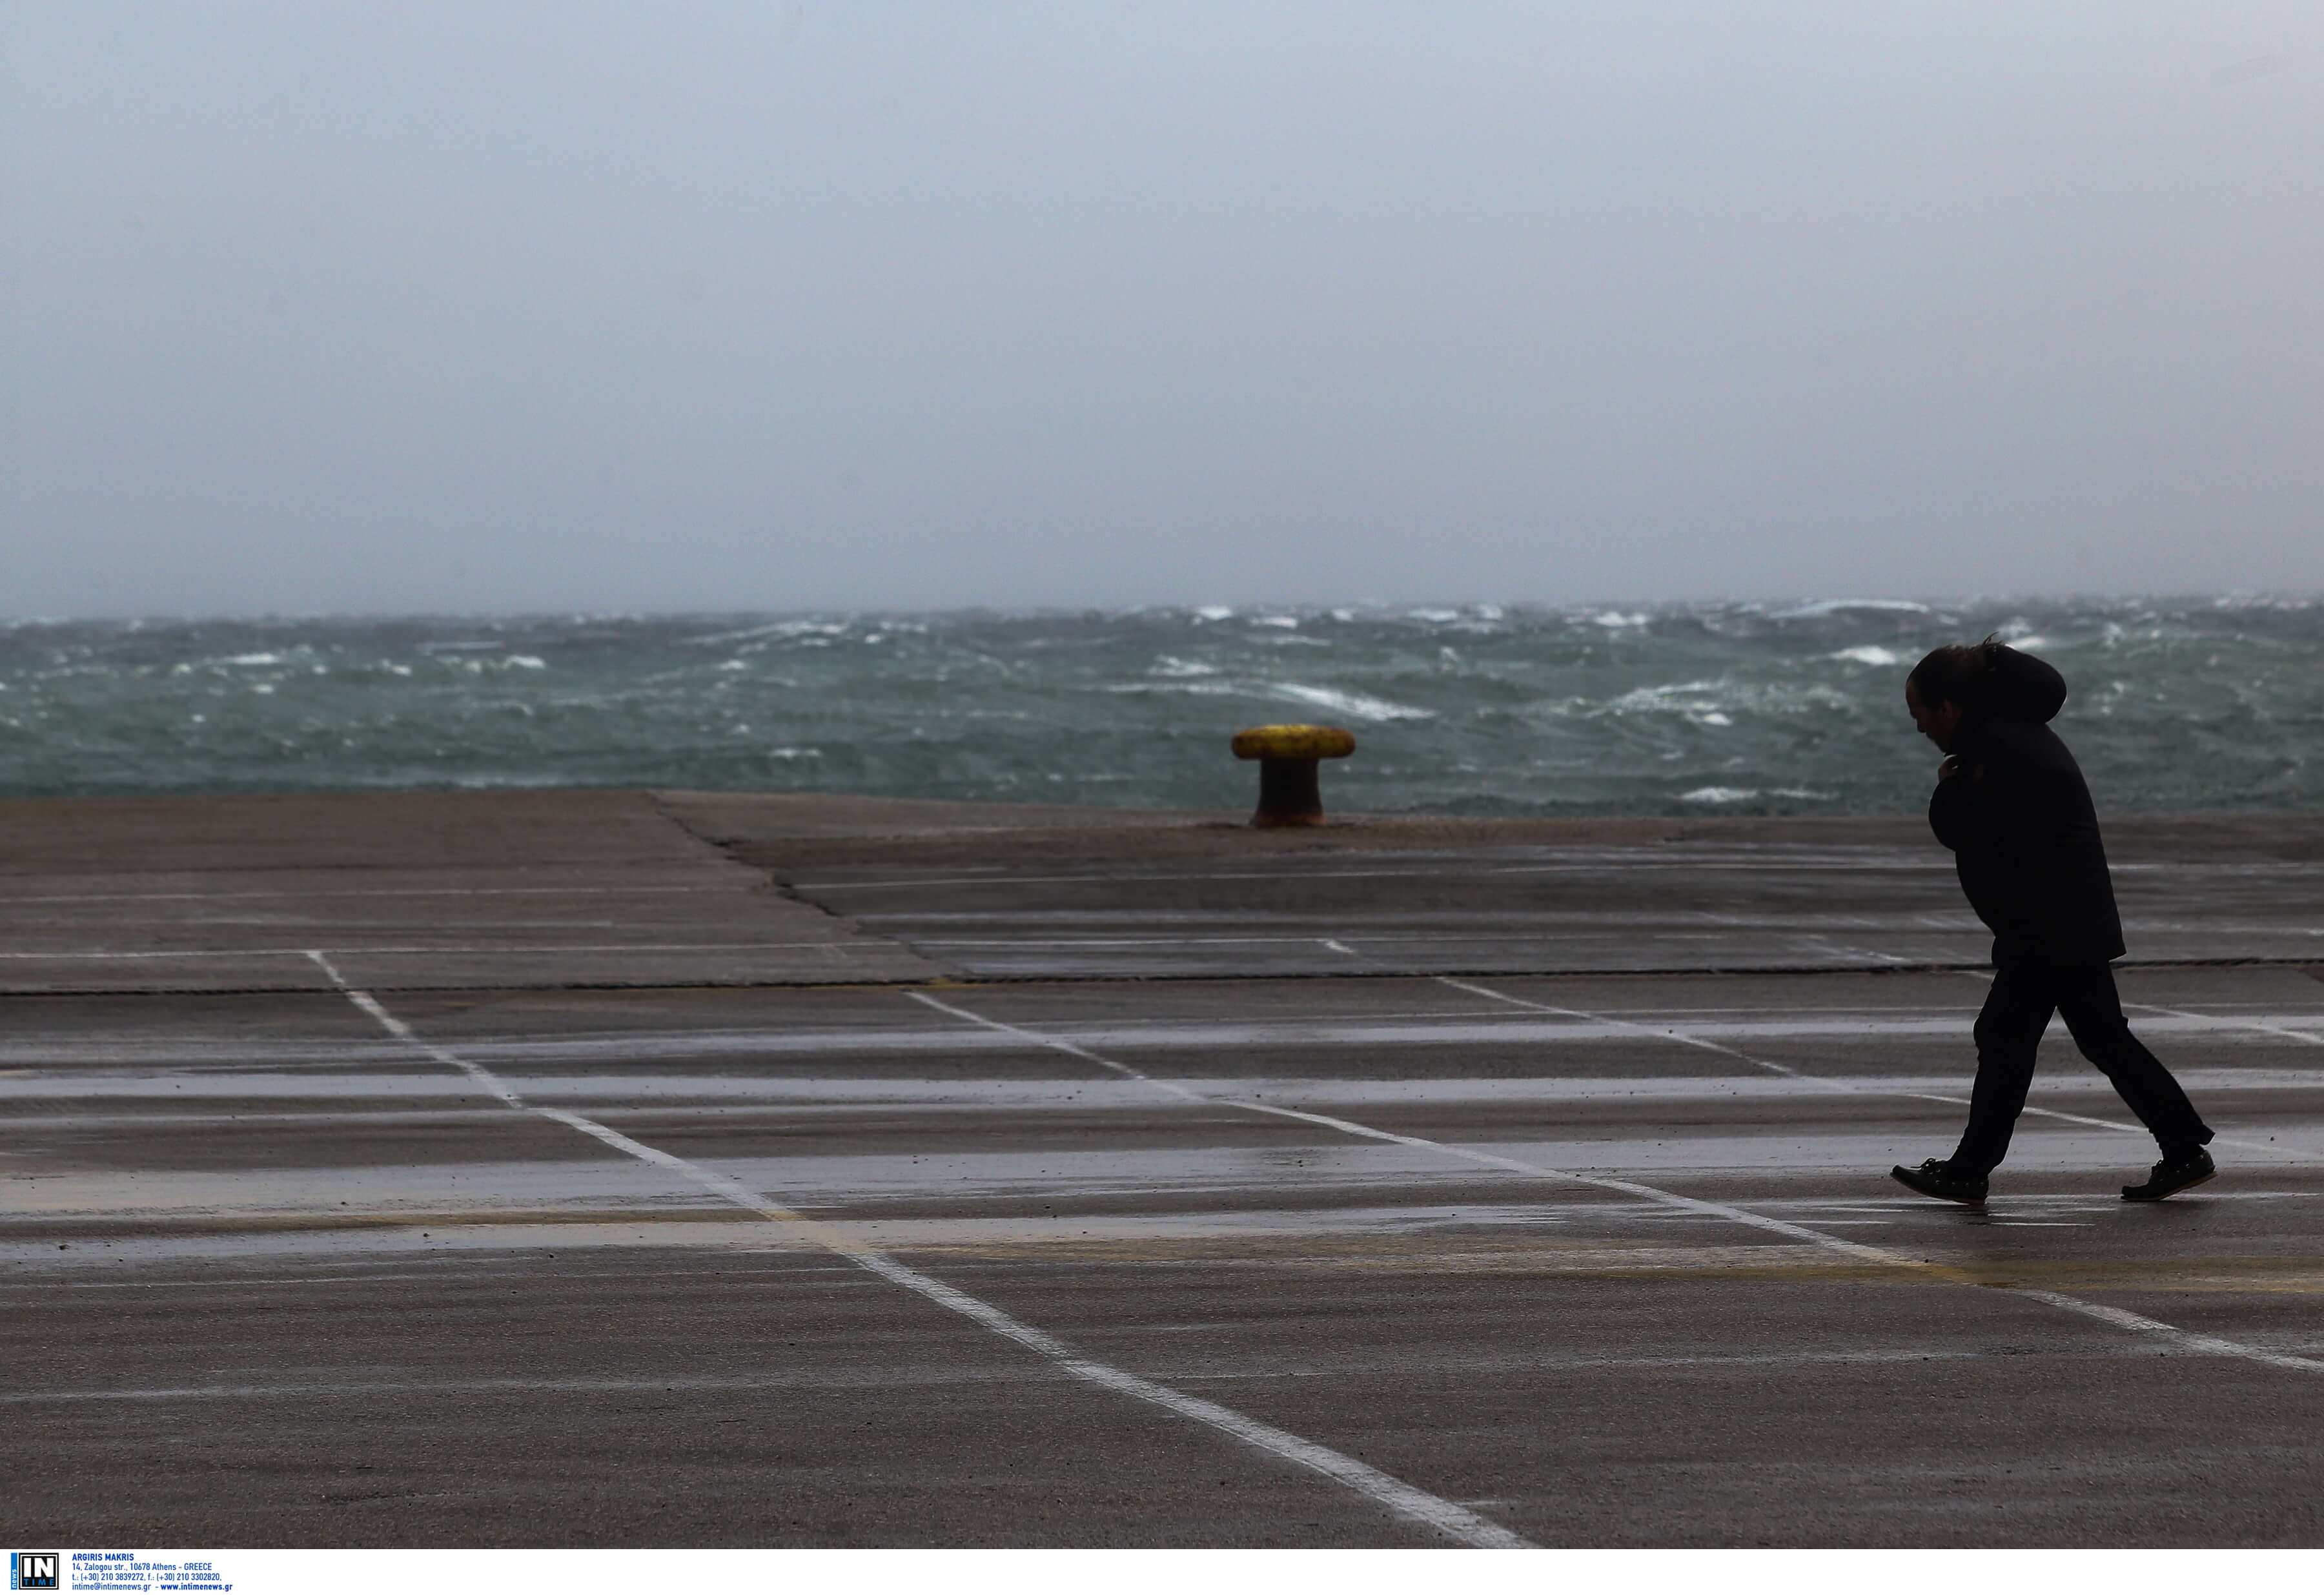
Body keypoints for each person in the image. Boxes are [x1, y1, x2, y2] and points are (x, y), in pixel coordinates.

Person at [1891, 636, 2216, 1204]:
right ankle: (2184, 1146)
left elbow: (1961, 824)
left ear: (1950, 707)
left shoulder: (2002, 747)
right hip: (2057, 922)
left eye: (1921, 714)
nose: (1921, 729)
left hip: (2050, 928)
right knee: (2095, 1038)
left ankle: (1969, 1170)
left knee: (2007, 1037)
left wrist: (1946, 793)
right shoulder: (2004, 738)